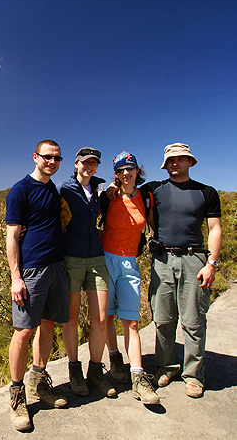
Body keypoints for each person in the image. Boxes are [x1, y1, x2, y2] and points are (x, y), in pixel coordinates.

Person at [145, 143, 222, 398]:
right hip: (162, 260)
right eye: (170, 160)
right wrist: (112, 188)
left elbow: (214, 229)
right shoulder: (155, 190)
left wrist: (211, 264)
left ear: (190, 162)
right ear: (165, 165)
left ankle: (193, 375)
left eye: (180, 159)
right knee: (163, 319)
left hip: (194, 259)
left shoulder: (206, 192)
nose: (175, 164)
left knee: (193, 320)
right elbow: (128, 188)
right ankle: (166, 367)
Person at [5, 140, 69, 431]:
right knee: (23, 331)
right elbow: (12, 235)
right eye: (47, 157)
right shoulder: (21, 190)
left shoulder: (52, 190)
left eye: (57, 158)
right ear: (35, 157)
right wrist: (15, 278)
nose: (52, 162)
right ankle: (17, 395)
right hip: (31, 270)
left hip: (57, 266)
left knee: (48, 324)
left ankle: (38, 382)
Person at [100, 151, 159, 405]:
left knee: (131, 321)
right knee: (107, 317)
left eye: (130, 169)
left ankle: (138, 377)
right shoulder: (108, 196)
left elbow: (155, 227)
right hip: (104, 260)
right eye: (121, 170)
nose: (126, 173)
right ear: (116, 174)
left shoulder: (147, 197)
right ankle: (114, 361)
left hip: (129, 263)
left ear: (137, 170)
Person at [56, 147, 115, 398]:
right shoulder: (64, 188)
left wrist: (113, 187)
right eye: (85, 162)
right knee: (70, 317)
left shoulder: (100, 191)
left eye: (94, 163)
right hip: (71, 259)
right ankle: (74, 369)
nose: (89, 167)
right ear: (76, 164)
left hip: (96, 258)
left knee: (100, 317)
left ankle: (95, 370)